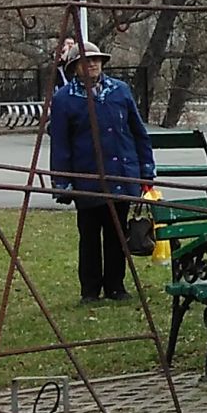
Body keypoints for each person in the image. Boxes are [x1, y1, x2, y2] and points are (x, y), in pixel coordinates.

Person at [48, 42, 155, 304]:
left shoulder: (119, 90)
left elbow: (138, 132)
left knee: (117, 233)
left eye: (97, 60)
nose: (93, 64)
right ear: (75, 67)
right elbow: (60, 144)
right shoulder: (64, 99)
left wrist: (146, 170)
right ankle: (90, 290)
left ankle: (116, 286)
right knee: (89, 235)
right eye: (87, 61)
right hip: (87, 177)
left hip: (121, 173)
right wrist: (62, 182)